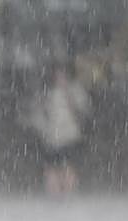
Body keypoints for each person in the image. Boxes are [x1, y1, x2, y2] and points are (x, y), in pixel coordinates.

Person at [27, 61, 91, 197]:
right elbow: (36, 115)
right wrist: (43, 129)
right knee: (51, 169)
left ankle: (68, 194)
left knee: (69, 167)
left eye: (62, 74)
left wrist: (68, 95)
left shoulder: (76, 90)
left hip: (71, 136)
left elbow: (84, 111)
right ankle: (54, 195)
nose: (60, 77)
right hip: (51, 138)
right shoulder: (45, 93)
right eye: (57, 74)